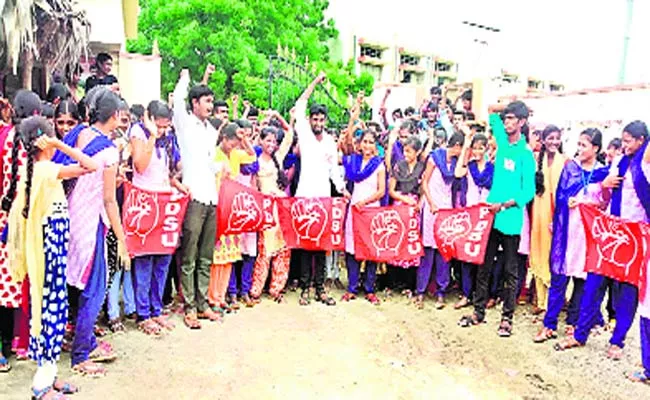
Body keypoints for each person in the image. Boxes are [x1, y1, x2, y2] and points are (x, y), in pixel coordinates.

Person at [5, 116, 98, 399]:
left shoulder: (36, 170)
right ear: (45, 141)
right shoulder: (46, 169)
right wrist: (60, 144)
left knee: (51, 312)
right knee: (52, 314)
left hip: (49, 255)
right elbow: (91, 166)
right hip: (50, 257)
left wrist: (56, 143)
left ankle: (50, 374)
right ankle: (41, 385)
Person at [556, 121, 650, 359]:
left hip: (633, 237)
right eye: (623, 140)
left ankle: (617, 341)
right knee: (593, 285)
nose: (624, 145)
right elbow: (603, 195)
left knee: (627, 291)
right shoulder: (618, 162)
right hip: (610, 232)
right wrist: (599, 189)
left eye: (629, 141)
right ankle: (580, 333)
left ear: (642, 141)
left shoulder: (645, 166)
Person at [55, 86, 130, 377]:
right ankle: (82, 354)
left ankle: (78, 339)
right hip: (89, 223)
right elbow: (109, 200)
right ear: (113, 116)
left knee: (68, 284)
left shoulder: (78, 134)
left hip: (64, 216)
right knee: (94, 287)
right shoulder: (109, 151)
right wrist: (122, 240)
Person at [458, 101, 536, 337]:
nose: (506, 122)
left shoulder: (525, 154)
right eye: (506, 118)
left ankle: (507, 318)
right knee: (484, 264)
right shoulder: (502, 142)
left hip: (510, 220)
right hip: (490, 218)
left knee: (510, 272)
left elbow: (528, 191)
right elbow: (491, 112)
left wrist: (504, 204)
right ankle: (478, 311)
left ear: (522, 122)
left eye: (512, 118)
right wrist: (509, 102)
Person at [534, 128, 609, 343]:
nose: (580, 149)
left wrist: (587, 202)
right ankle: (549, 324)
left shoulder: (603, 174)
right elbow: (560, 197)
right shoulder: (571, 168)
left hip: (588, 236)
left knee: (581, 281)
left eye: (584, 145)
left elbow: (605, 204)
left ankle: (572, 322)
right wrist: (565, 207)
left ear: (595, 148)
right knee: (559, 278)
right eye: (579, 144)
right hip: (567, 230)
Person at [129, 101, 185, 336]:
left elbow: (169, 172)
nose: (162, 131)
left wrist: (181, 186)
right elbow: (140, 166)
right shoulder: (138, 133)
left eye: (165, 127)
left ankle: (156, 308)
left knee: (162, 261)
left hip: (164, 202)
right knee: (144, 260)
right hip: (144, 201)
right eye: (159, 126)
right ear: (148, 118)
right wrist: (152, 136)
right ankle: (143, 313)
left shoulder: (169, 138)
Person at [293, 72, 348, 307]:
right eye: (314, 119)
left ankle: (320, 289)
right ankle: (304, 288)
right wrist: (315, 81)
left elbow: (334, 170)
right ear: (310, 120)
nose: (317, 123)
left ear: (325, 121)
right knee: (306, 245)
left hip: (324, 199)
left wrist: (342, 189)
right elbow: (300, 103)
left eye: (321, 120)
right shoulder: (304, 134)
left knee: (322, 246)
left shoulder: (329, 141)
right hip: (305, 197)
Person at [173, 67, 221, 329]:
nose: (210, 105)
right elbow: (178, 99)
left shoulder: (210, 130)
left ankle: (203, 304)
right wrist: (185, 78)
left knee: (206, 256)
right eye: (207, 101)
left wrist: (220, 168)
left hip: (211, 197)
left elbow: (211, 162)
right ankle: (189, 306)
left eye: (212, 101)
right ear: (195, 104)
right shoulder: (184, 123)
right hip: (193, 196)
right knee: (189, 256)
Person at [0, 90, 39, 372]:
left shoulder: (5, 137)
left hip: (4, 219)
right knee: (17, 285)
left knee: (4, 285)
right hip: (22, 223)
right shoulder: (35, 146)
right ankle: (15, 343)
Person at [339, 95, 386, 305]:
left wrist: (365, 203)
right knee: (352, 248)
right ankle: (352, 286)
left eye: (370, 142)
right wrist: (353, 118)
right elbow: (347, 140)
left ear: (375, 145)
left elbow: (381, 191)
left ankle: (369, 288)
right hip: (354, 209)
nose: (367, 145)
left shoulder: (379, 164)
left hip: (370, 209)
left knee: (371, 249)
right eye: (364, 141)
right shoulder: (354, 161)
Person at [208, 123, 256, 314]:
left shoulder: (236, 153)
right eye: (232, 142)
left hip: (232, 209)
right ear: (224, 139)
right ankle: (212, 297)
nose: (235, 146)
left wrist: (244, 138)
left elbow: (252, 155)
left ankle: (220, 297)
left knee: (229, 256)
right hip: (217, 207)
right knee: (216, 257)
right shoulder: (213, 153)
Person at [251, 116, 294, 303]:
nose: (271, 144)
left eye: (274, 141)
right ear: (260, 140)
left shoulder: (278, 157)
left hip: (281, 208)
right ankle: (256, 289)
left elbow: (290, 135)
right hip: (266, 208)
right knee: (265, 248)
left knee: (283, 249)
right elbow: (253, 187)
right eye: (267, 140)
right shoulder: (255, 159)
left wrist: (279, 117)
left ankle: (277, 287)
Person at [419, 132, 464, 309]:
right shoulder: (434, 158)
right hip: (432, 208)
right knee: (428, 250)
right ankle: (421, 290)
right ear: (456, 146)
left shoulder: (455, 164)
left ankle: (441, 291)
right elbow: (424, 182)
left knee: (443, 252)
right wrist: (430, 202)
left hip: (447, 208)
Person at [454, 132, 494, 309]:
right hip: (470, 214)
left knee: (484, 257)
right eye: (475, 148)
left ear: (486, 149)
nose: (477, 151)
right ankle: (466, 293)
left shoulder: (493, 167)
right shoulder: (469, 166)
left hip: (486, 215)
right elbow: (457, 173)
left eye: (481, 148)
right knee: (466, 256)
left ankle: (481, 295)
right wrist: (466, 146)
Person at [529, 125, 566, 315]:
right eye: (549, 138)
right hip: (538, 215)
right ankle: (541, 301)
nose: (553, 142)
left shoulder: (565, 162)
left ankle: (556, 301)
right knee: (538, 253)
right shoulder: (537, 160)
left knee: (555, 256)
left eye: (556, 138)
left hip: (557, 216)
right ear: (543, 140)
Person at [387, 136, 425, 297]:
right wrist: (404, 199)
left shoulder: (422, 168)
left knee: (411, 242)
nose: (405, 154)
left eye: (409, 151)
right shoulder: (398, 166)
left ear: (417, 152)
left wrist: (418, 203)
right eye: (404, 150)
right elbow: (391, 190)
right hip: (400, 205)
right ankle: (392, 282)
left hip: (414, 208)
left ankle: (409, 284)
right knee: (396, 241)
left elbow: (424, 190)